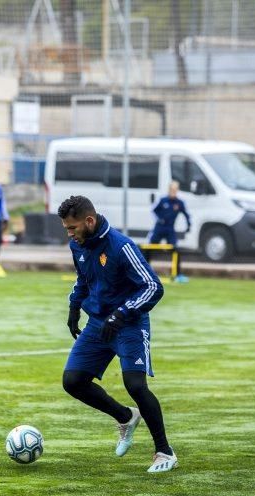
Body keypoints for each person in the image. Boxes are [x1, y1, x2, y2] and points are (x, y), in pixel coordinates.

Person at [57, 195, 178, 473]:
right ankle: (125, 417)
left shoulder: (121, 246)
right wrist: (74, 308)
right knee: (73, 381)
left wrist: (122, 313)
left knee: (135, 386)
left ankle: (164, 451)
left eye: (72, 228)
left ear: (89, 221)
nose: (70, 234)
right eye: (67, 229)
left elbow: (152, 286)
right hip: (98, 323)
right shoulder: (78, 245)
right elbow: (83, 279)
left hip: (129, 324)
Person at [149, 180, 191, 282]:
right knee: (148, 248)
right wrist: (159, 219)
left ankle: (177, 274)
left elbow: (186, 214)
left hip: (170, 229)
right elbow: (154, 210)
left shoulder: (179, 203)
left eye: (175, 190)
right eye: (172, 189)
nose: (173, 191)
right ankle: (143, 271)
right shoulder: (163, 200)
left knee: (175, 249)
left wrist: (189, 225)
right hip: (159, 228)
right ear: (169, 190)